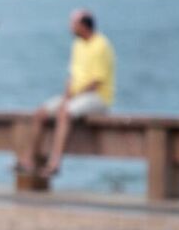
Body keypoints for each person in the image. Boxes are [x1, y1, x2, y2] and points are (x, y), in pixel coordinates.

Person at [18, 9, 115, 178]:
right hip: (76, 96)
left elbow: (96, 82)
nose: (71, 28)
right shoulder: (78, 45)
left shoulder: (101, 45)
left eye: (73, 24)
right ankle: (28, 160)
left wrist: (70, 100)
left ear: (84, 25)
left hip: (97, 97)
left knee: (64, 112)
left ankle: (54, 163)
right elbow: (72, 77)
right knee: (41, 113)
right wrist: (66, 96)